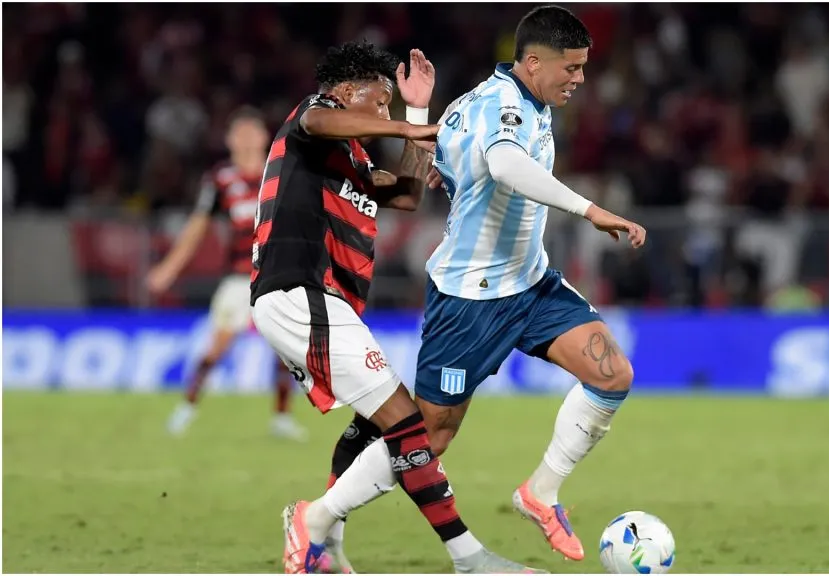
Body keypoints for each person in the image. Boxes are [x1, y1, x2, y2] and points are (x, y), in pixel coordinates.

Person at [324, 5, 647, 565]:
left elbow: (444, 159)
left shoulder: (504, 102)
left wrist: (427, 121)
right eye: (571, 68)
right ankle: (317, 517)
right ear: (534, 61)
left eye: (583, 67)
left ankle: (539, 494)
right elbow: (503, 165)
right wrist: (589, 210)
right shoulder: (501, 108)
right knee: (427, 438)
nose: (580, 78)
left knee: (611, 373)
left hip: (530, 283)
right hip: (470, 299)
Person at [248, 41, 542, 575]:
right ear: (343, 92)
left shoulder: (352, 158)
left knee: (373, 430)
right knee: (408, 425)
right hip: (299, 293)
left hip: (321, 302)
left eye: (388, 106)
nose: (383, 114)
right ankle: (468, 558)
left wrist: (416, 113)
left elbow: (406, 195)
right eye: (377, 102)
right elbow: (316, 121)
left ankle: (323, 544)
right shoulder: (312, 119)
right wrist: (404, 130)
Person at [148, 107, 307, 441]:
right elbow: (197, 226)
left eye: (253, 132)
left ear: (265, 137)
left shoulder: (284, 170)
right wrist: (168, 269)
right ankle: (187, 407)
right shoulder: (221, 179)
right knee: (216, 348)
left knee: (285, 349)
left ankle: (281, 418)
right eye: (241, 133)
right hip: (238, 278)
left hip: (277, 277)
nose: (248, 139)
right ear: (229, 140)